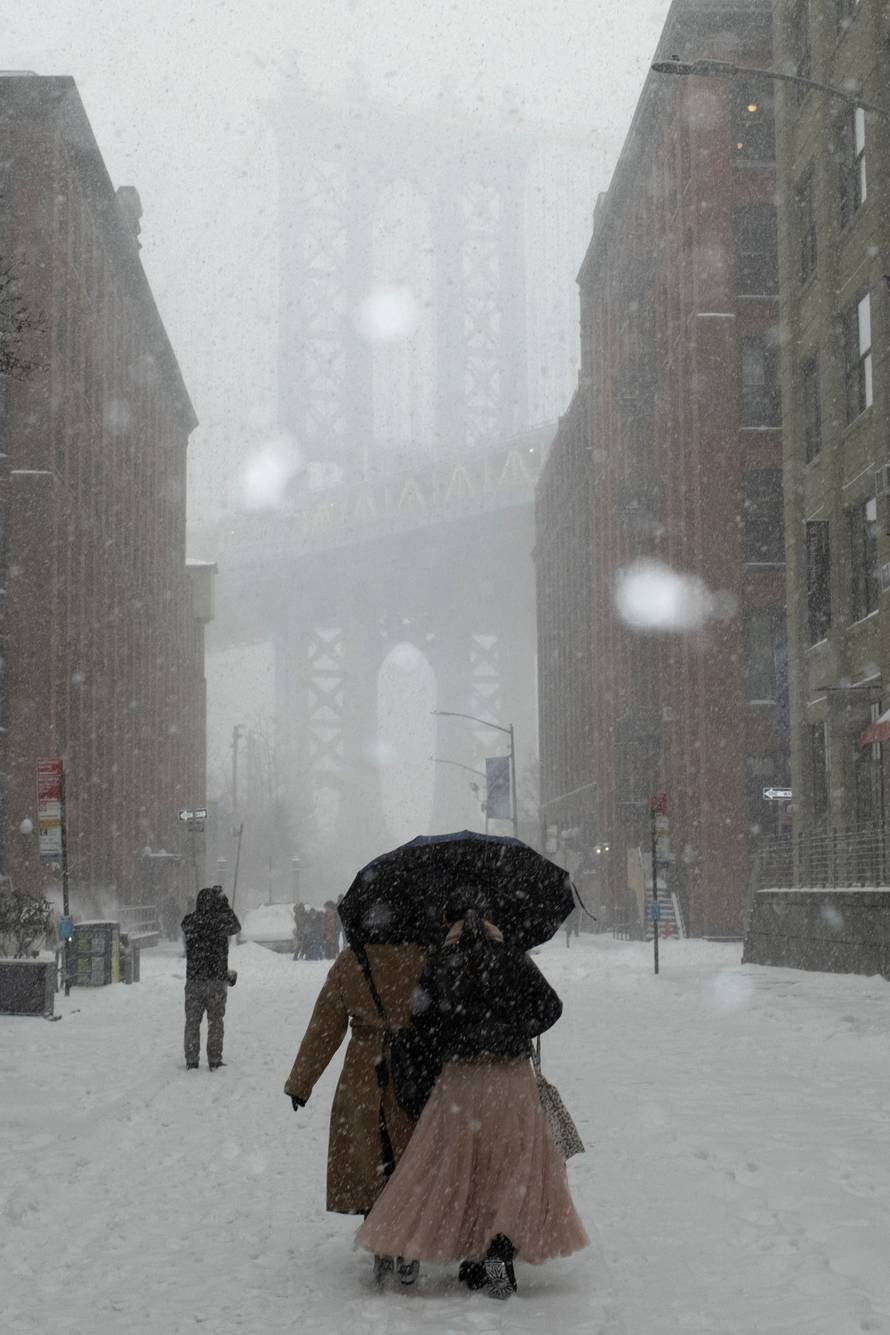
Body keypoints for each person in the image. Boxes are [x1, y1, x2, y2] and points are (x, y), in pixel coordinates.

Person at [355, 899, 588, 1299]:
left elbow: (421, 1020)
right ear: (493, 922)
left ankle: (456, 1249)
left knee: (460, 1165)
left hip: (461, 1082)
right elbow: (551, 1007)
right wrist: (517, 1027)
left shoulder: (441, 962)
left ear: (449, 923)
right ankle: (497, 1248)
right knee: (513, 1165)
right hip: (511, 1079)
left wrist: (453, 1039)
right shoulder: (513, 958)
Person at [283, 940, 428, 1283]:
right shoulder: (424, 953)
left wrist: (301, 1082)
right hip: (414, 1068)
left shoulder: (352, 960)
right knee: (409, 1155)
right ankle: (408, 1246)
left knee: (371, 1156)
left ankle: (380, 1242)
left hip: (363, 1070)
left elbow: (325, 1024)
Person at [181, 885, 241, 1070]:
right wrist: (224, 904)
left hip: (194, 980)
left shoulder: (190, 921)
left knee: (192, 1022)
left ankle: (192, 1060)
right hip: (216, 980)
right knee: (215, 1021)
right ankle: (214, 1059)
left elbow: (185, 925)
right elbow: (236, 926)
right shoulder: (221, 922)